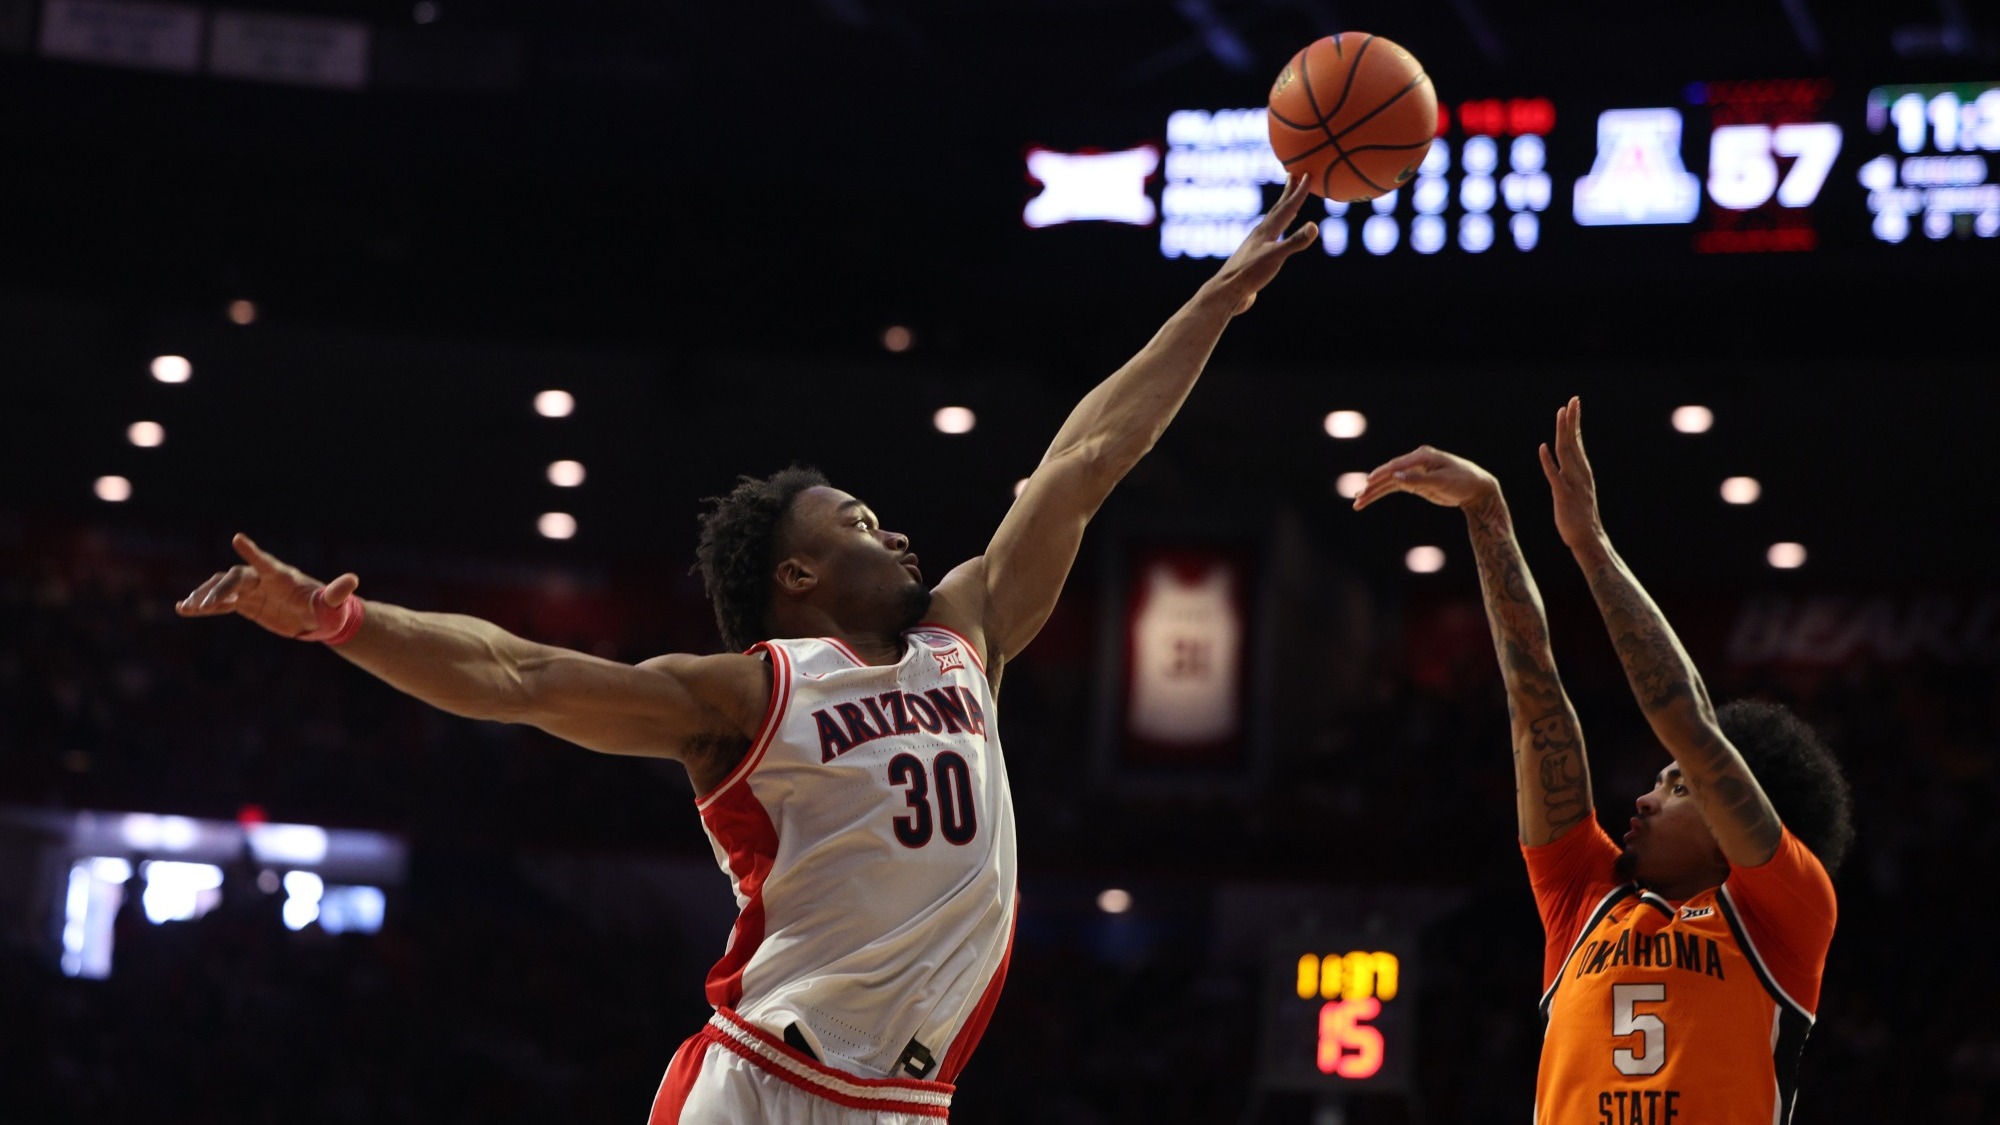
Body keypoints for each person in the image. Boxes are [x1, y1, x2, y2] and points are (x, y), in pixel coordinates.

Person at [174, 176, 1321, 1123]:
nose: (899, 530)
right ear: (796, 579)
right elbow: (518, 676)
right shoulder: (749, 695)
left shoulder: (966, 635)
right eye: (859, 523)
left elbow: (1086, 459)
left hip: (906, 1103)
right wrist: (340, 620)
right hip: (764, 1084)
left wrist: (1211, 304)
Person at [1353, 397, 1854, 1125]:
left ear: (1733, 813)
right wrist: (1487, 512)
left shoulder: (1785, 913)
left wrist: (1589, 544)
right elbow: (1535, 700)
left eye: (1676, 785)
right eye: (1656, 780)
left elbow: (1690, 723)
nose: (1645, 800)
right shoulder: (1582, 896)